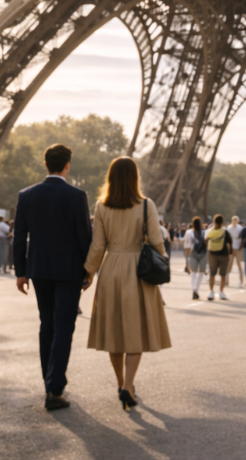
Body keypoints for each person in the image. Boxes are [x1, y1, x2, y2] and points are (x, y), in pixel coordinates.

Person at [83, 157, 171, 411]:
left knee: (114, 331)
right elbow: (156, 240)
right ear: (135, 178)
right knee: (135, 330)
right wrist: (162, 260)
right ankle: (128, 386)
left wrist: (89, 272)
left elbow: (98, 245)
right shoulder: (146, 205)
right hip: (137, 271)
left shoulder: (101, 206)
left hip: (110, 269)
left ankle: (120, 382)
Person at [13, 144, 92, 411]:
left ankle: (49, 382)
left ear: (45, 163)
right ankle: (55, 387)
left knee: (46, 325)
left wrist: (20, 272)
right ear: (67, 165)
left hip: (39, 270)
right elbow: (84, 237)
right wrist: (88, 271)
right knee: (64, 328)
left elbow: (19, 236)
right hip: (69, 271)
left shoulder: (27, 195)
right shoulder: (76, 196)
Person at [205, 214, 232, 300]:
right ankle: (221, 292)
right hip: (223, 255)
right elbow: (230, 243)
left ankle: (211, 292)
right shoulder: (225, 231)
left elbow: (205, 241)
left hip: (212, 254)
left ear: (214, 221)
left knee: (212, 274)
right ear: (222, 222)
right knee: (223, 275)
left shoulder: (209, 231)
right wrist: (230, 254)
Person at [184, 216, 207, 300]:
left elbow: (187, 246)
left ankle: (194, 290)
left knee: (193, 272)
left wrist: (186, 260)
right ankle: (196, 290)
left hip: (192, 253)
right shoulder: (205, 232)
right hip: (203, 254)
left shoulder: (189, 232)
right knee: (201, 272)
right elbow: (207, 244)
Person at [225, 216, 244, 288]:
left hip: (238, 248)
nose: (235, 222)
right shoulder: (229, 228)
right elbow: (227, 239)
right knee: (229, 264)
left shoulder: (240, 228)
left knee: (239, 264)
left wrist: (241, 246)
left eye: (236, 220)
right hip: (231, 248)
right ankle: (226, 280)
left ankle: (241, 281)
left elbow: (242, 238)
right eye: (234, 220)